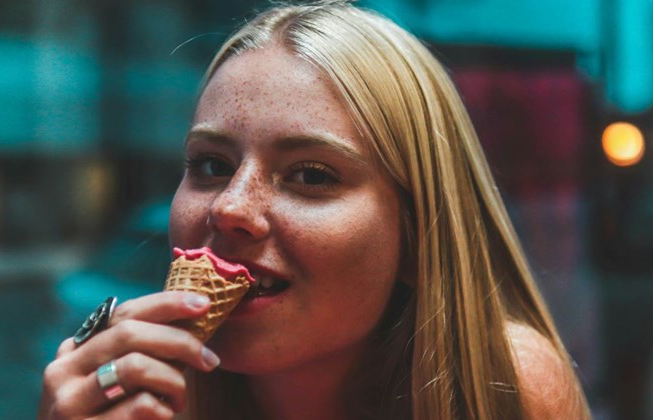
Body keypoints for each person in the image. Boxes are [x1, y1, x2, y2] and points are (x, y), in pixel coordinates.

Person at [38, 1, 591, 419]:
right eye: (210, 165)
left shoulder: (500, 390)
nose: (231, 207)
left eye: (310, 176)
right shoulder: (132, 399)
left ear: (418, 236)